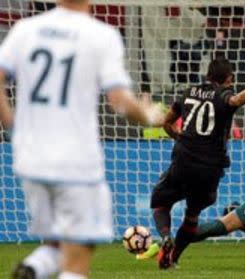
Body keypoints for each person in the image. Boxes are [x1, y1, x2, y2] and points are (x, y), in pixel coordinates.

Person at [0, 1, 165, 278]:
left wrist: (13, 127)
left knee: (55, 242)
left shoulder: (25, 30)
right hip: (75, 160)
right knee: (78, 255)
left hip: (30, 158)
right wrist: (148, 115)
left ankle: (32, 269)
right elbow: (120, 102)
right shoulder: (101, 35)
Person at [151, 58, 245, 269]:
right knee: (192, 216)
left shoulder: (189, 92)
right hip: (210, 168)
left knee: (160, 203)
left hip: (183, 159)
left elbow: (166, 122)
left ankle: (165, 236)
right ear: (228, 79)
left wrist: (179, 138)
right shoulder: (224, 95)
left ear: (208, 76)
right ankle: (173, 258)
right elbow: (237, 100)